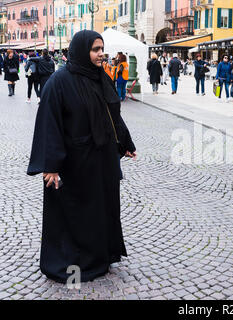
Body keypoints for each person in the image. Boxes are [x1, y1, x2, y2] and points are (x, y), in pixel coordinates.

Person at [27, 30, 137, 284]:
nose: (101, 54)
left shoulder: (101, 77)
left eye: (102, 49)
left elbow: (113, 115)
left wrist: (125, 142)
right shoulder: (59, 81)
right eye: (95, 50)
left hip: (102, 159)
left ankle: (101, 255)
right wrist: (51, 166)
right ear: (80, 50)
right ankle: (75, 263)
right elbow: (49, 123)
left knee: (101, 209)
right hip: (74, 164)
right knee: (76, 213)